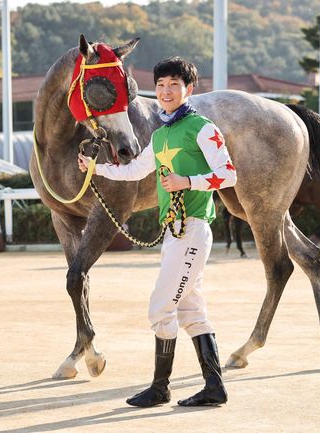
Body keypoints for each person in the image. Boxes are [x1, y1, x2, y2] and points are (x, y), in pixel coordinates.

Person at [78, 56, 237, 407]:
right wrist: (97, 169)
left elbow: (228, 175)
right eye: (161, 85)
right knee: (191, 310)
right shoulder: (162, 134)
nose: (166, 92)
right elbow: (135, 170)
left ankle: (161, 387)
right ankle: (214, 387)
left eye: (174, 85)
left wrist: (187, 181)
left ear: (188, 89)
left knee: (160, 308)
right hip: (174, 233)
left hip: (193, 229)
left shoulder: (203, 128)